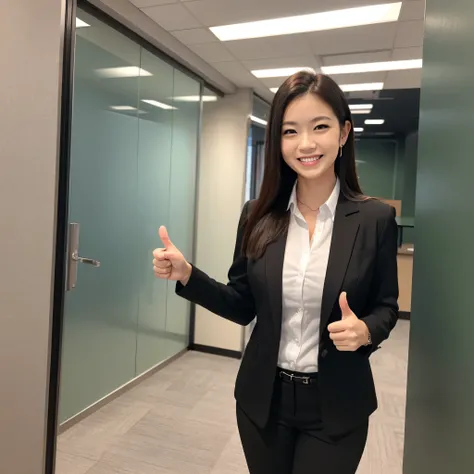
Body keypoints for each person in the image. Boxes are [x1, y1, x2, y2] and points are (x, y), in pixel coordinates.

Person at [152, 71, 399, 474]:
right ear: (278, 142)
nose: (305, 144)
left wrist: (366, 331)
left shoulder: (375, 219)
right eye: (290, 131)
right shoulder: (258, 215)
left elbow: (387, 306)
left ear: (343, 133)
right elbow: (242, 304)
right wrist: (187, 274)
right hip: (263, 401)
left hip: (336, 405)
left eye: (320, 126)